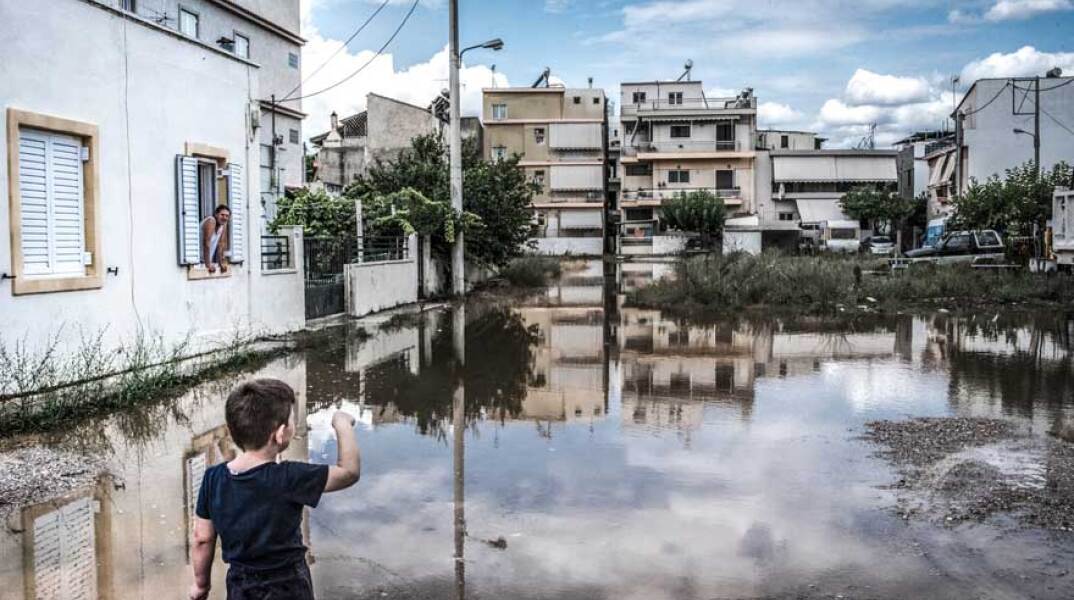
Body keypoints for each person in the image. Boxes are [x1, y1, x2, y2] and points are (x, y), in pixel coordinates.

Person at [189, 379, 360, 600]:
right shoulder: (289, 477)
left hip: (241, 587)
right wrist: (342, 424)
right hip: (289, 587)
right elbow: (349, 472)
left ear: (233, 431)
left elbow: (202, 538)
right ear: (280, 434)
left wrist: (201, 585)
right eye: (292, 421)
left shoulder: (213, 479)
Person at [201, 205, 231, 274]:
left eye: (227, 216)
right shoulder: (211, 221)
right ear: (216, 214)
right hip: (197, 262)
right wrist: (208, 264)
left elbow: (221, 245)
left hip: (204, 262)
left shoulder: (222, 226)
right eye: (222, 215)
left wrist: (221, 264)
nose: (224, 218)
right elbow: (206, 243)